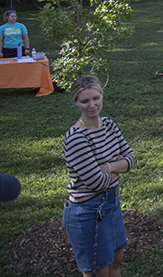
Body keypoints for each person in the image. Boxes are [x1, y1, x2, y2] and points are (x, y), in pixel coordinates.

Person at [62, 75, 136, 277]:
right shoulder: (76, 138)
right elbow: (96, 182)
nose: (92, 105)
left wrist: (107, 167)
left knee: (116, 259)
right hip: (87, 211)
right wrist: (117, 168)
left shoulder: (109, 125)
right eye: (84, 101)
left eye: (96, 98)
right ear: (75, 102)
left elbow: (131, 158)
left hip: (111, 205)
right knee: (98, 270)